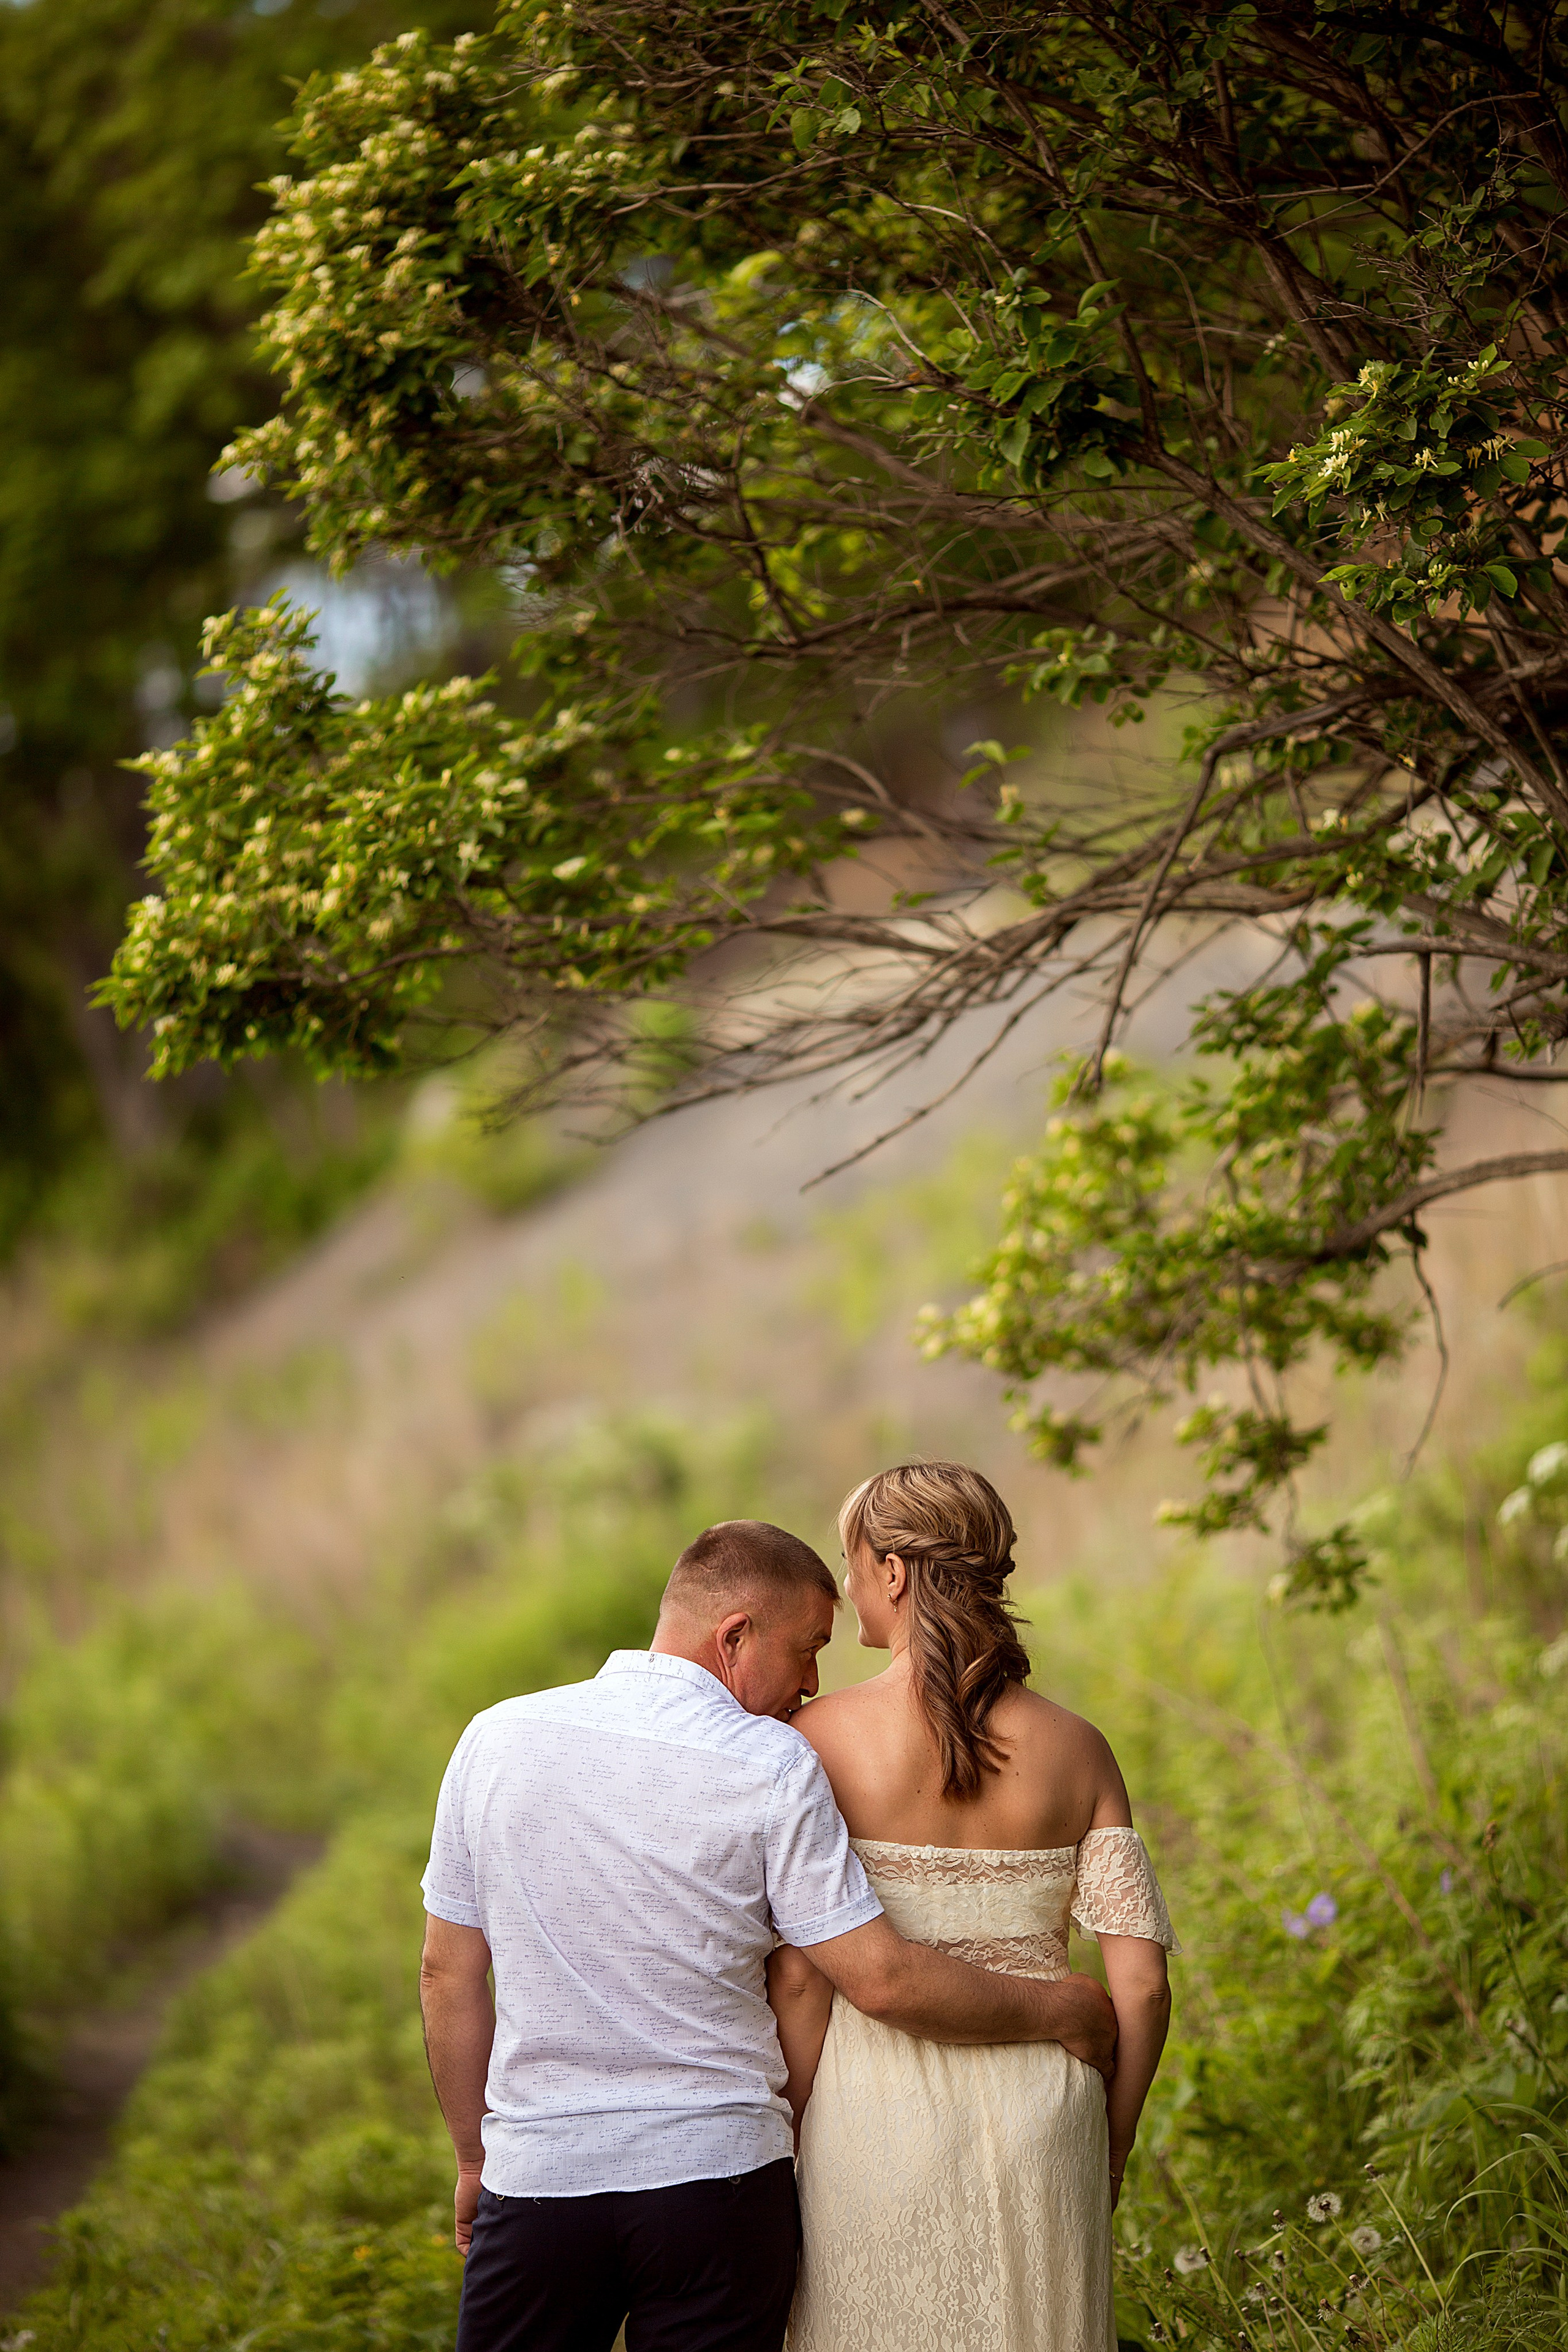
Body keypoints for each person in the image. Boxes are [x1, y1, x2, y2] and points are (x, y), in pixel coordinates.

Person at [419, 1516, 1118, 2352]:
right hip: (717, 2184)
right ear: (736, 1636)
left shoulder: (495, 1738)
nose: (814, 1684)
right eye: (808, 1649)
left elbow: (447, 1973)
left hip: (539, 2176)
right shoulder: (771, 1763)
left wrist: (472, 2160)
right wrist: (1066, 2010)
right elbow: (879, 1978)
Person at [771, 1462, 1177, 2352]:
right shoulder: (1082, 1750)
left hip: (867, 2118)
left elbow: (801, 1983)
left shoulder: (813, 1742)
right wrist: (1111, 2145)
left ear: (894, 1570)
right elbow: (1141, 1989)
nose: (849, 1585)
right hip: (1050, 2117)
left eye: (853, 1559)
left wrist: (790, 2136)